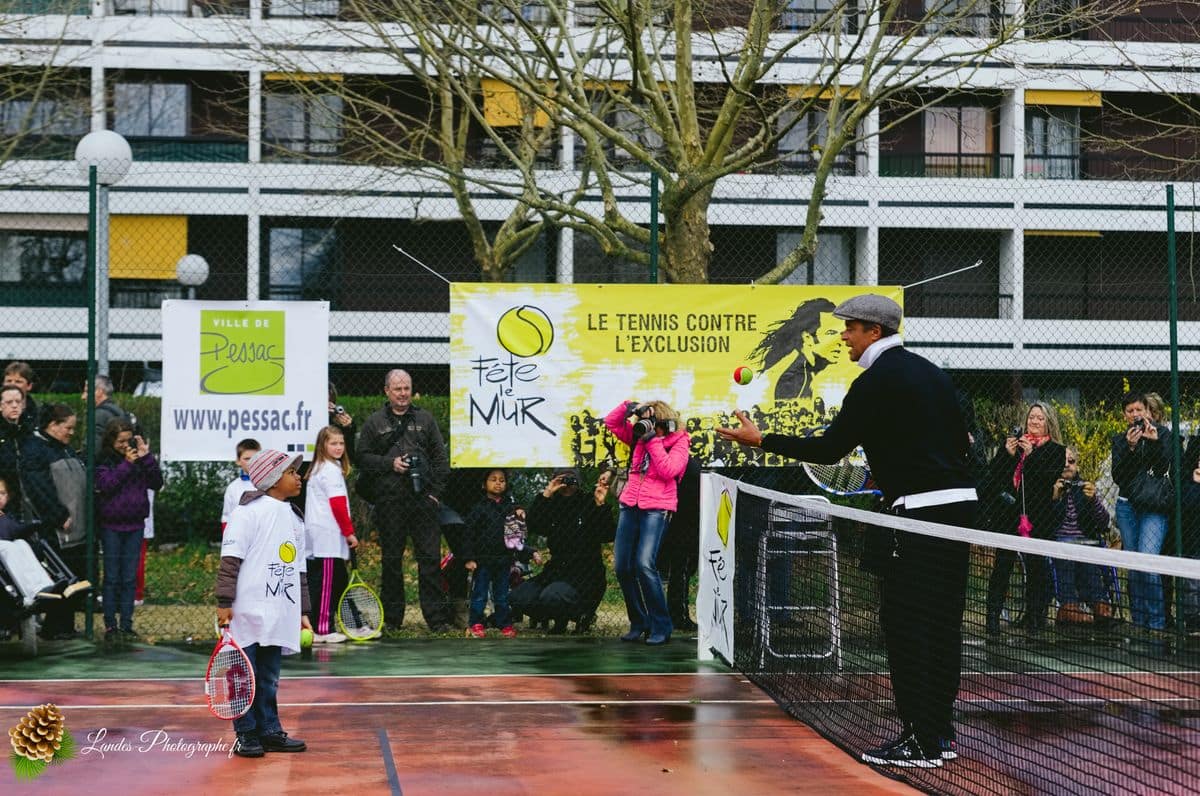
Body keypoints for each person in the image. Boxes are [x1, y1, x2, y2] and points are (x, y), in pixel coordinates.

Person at [717, 293, 976, 769]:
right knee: (943, 627)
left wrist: (762, 439)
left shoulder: (874, 381)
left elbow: (830, 449)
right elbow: (959, 443)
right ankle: (940, 736)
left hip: (916, 519)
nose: (843, 337)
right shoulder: (934, 375)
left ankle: (921, 742)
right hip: (959, 514)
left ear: (874, 332)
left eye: (850, 329)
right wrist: (897, 469)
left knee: (905, 627)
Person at [216, 448, 312, 758]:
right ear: (272, 479)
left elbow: (299, 569)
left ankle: (270, 730)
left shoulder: (294, 517)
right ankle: (246, 733)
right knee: (243, 674)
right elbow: (230, 560)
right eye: (291, 472)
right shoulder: (247, 513)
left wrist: (303, 610)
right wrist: (224, 601)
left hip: (279, 611)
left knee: (269, 676)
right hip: (245, 610)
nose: (298, 477)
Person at [357, 369, 452, 632]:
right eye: (397, 389)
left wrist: (435, 494)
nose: (402, 393)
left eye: (406, 388)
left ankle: (436, 619)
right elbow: (362, 458)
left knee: (430, 559)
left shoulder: (425, 419)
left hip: (423, 501)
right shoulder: (375, 422)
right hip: (390, 501)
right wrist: (390, 464)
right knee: (391, 561)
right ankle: (391, 619)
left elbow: (441, 460)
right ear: (386, 391)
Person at [604, 399, 691, 646]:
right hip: (630, 503)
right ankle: (639, 621)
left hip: (657, 507)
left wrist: (652, 440)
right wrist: (628, 407)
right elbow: (611, 423)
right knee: (622, 566)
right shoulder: (639, 436)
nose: (647, 428)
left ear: (666, 424)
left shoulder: (680, 442)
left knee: (644, 564)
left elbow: (668, 471)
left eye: (653, 424)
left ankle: (661, 625)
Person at [983, 402, 1065, 637]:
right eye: (1032, 417)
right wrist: (1006, 454)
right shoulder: (1016, 445)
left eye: (1040, 418)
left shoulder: (1056, 450)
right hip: (1010, 516)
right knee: (1002, 566)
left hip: (1038, 517)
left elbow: (1045, 480)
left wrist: (1032, 455)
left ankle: (1034, 620)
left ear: (1048, 422)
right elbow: (993, 477)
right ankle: (992, 618)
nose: (1034, 421)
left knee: (1037, 569)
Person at [513, 467, 615, 634]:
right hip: (557, 569)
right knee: (519, 597)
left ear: (578, 482)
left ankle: (583, 614)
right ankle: (554, 616)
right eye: (562, 480)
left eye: (571, 479)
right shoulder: (552, 504)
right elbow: (532, 526)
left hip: (586, 571)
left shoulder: (589, 501)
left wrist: (600, 504)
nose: (567, 484)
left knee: (552, 596)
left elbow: (608, 534)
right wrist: (546, 494)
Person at [21, 404, 87, 639]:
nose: (71, 432)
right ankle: (54, 627)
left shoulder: (65, 449)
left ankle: (65, 626)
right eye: (68, 427)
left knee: (74, 575)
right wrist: (58, 515)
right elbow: (39, 489)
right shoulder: (35, 450)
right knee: (60, 575)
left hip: (76, 525)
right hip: (57, 528)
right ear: (52, 425)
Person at [95, 419, 163, 642]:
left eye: (128, 440)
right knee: (112, 576)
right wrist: (126, 464)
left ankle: (126, 623)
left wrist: (147, 458)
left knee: (129, 577)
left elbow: (156, 482)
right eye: (120, 441)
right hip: (111, 525)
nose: (125, 445)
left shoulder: (140, 459)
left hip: (135, 524)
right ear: (111, 441)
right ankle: (110, 624)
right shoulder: (105, 460)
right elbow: (106, 485)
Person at [1111, 391, 1172, 631]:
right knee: (1133, 565)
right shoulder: (1120, 440)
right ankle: (1138, 621)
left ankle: (1157, 623)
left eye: (1139, 409)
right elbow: (1120, 477)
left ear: (1148, 411)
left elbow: (1163, 468)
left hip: (1153, 507)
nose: (1135, 414)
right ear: (1124, 415)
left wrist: (1154, 442)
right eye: (1130, 411)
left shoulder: (1163, 434)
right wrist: (1131, 448)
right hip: (1127, 506)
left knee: (1148, 560)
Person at [304, 426, 359, 644]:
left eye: (341, 443)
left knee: (333, 582)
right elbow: (337, 505)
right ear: (322, 445)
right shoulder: (329, 470)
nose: (338, 447)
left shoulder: (324, 467)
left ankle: (353, 625)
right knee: (325, 584)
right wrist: (349, 533)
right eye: (333, 443)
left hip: (323, 536)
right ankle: (322, 629)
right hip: (326, 537)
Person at [461, 469, 530, 638]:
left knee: (502, 595)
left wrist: (519, 511)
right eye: (493, 479)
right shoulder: (478, 508)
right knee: (479, 594)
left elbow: (517, 535)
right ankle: (475, 623)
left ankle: (504, 623)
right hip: (482, 561)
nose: (498, 483)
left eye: (502, 480)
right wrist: (469, 558)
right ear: (484, 484)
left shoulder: (510, 508)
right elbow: (468, 535)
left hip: (503, 560)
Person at [1049, 446, 1112, 626]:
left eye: (1071, 461)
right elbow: (1043, 523)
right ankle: (1068, 606)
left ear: (1077, 465)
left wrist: (1093, 500)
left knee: (1088, 557)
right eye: (1062, 461)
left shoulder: (1085, 487)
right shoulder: (1048, 487)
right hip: (1059, 541)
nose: (1067, 465)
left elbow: (1104, 522)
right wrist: (1054, 498)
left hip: (1085, 541)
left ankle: (1100, 604)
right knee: (1066, 553)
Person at [747, 298, 842, 405]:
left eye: (841, 334)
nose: (840, 341)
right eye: (831, 333)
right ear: (807, 337)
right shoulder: (792, 382)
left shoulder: (817, 374)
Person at [662, 456, 701, 632]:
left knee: (684, 566)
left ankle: (678, 614)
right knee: (682, 566)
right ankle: (678, 615)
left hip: (692, 515)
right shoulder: (681, 460)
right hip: (683, 517)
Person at [222, 439, 261, 533]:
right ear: (238, 461)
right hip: (241, 535)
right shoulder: (233, 488)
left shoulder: (272, 483)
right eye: (247, 459)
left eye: (255, 458)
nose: (251, 462)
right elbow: (226, 519)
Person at [84, 374, 129, 456]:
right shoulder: (118, 410)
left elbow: (93, 450)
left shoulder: (98, 415)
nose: (83, 397)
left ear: (99, 391)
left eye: (87, 391)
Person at [3, 361, 38, 432]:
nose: (12, 384)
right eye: (9, 381)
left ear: (29, 386)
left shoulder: (38, 411)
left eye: (18, 381)